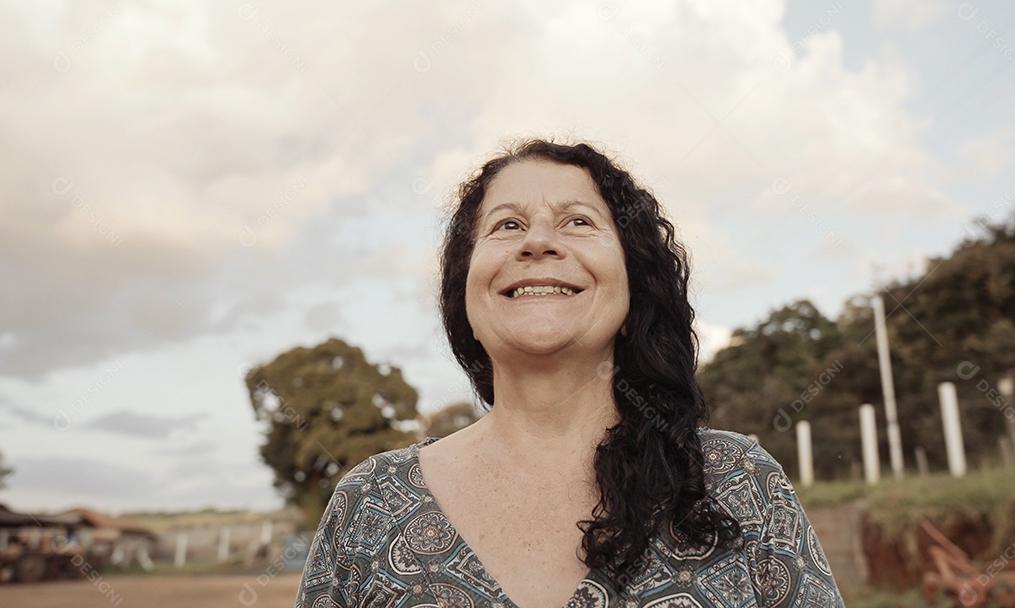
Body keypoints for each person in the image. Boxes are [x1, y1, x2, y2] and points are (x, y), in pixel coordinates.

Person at [295, 139, 845, 607]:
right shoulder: (368, 505)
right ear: (466, 296)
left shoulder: (739, 482)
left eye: (578, 222)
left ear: (635, 287)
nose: (537, 241)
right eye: (507, 225)